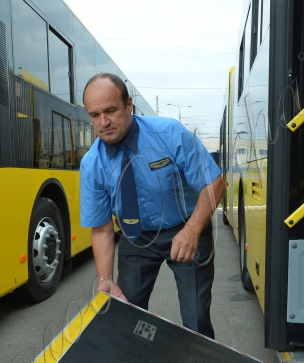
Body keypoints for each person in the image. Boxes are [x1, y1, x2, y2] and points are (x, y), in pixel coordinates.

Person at [80, 73, 225, 339]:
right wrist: (104, 280)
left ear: (128, 105)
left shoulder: (170, 134)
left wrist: (193, 229)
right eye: (94, 115)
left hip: (186, 226)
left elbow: (214, 183)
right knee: (127, 314)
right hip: (136, 238)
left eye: (111, 110)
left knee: (196, 319)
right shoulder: (91, 165)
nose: (103, 122)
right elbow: (101, 229)